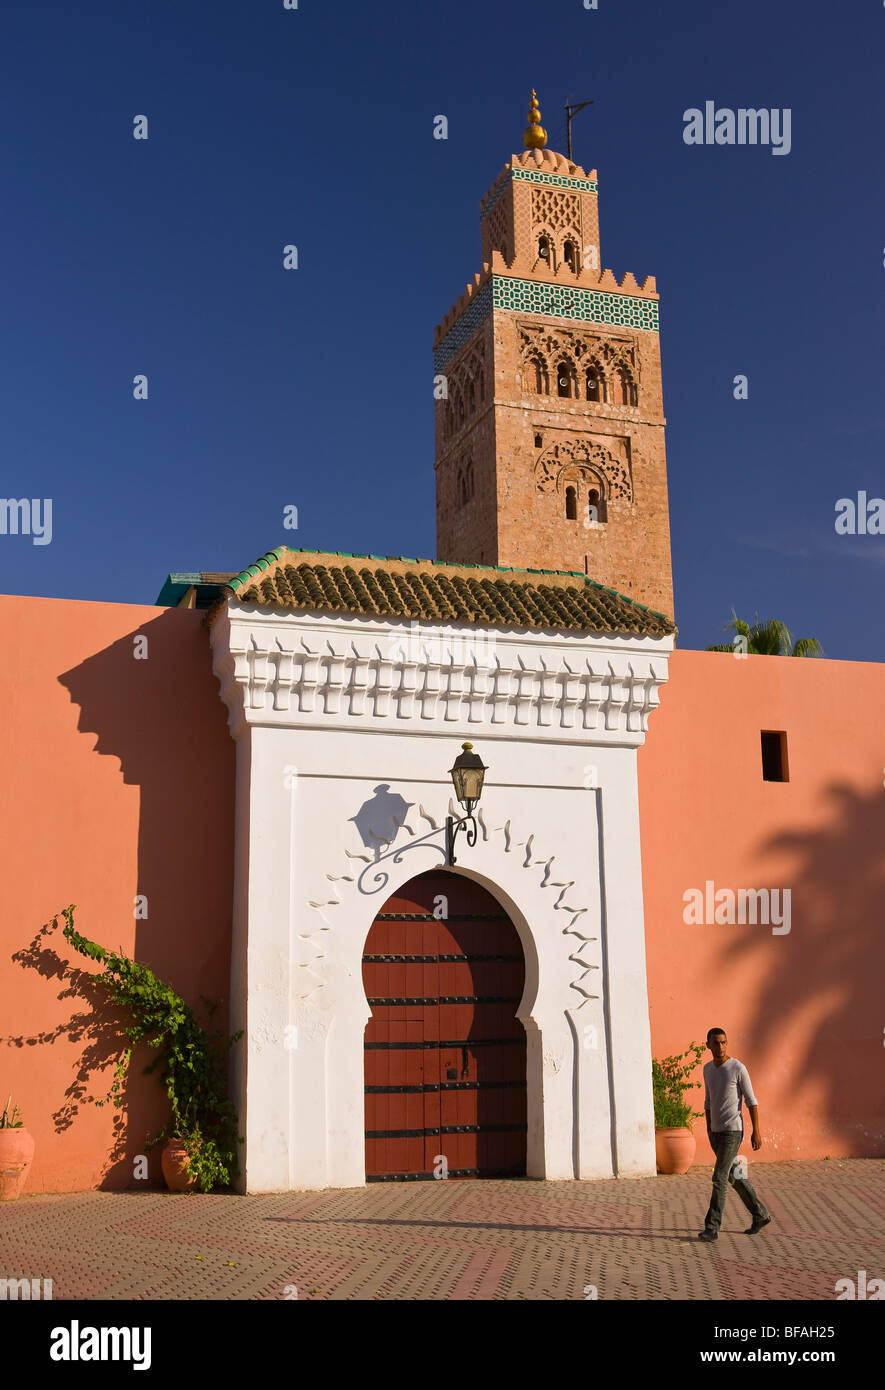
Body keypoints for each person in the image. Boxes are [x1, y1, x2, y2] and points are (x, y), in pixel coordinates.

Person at [698, 1027, 772, 1242]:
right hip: (716, 1132)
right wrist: (709, 1127)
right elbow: (708, 1101)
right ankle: (761, 1215)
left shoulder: (737, 1068)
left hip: (733, 1131)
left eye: (724, 1042)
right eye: (716, 1043)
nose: (720, 1047)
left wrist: (756, 1131)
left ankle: (712, 1227)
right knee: (735, 1177)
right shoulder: (707, 1069)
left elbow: (751, 1101)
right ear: (708, 1045)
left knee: (719, 1177)